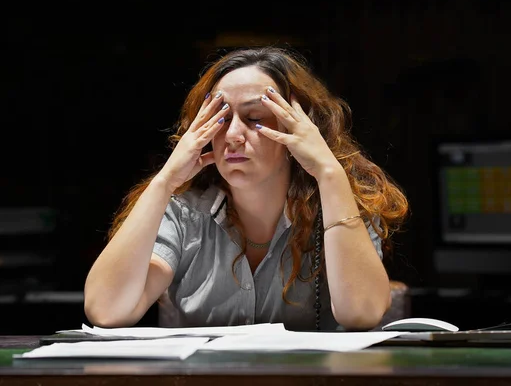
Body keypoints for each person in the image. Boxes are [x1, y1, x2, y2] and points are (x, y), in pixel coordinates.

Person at [83, 46, 409, 332]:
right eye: (221, 120)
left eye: (254, 118)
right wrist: (165, 180)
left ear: (300, 129)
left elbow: (362, 313)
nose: (234, 135)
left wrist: (328, 171)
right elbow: (106, 310)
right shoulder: (183, 214)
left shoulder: (340, 204)